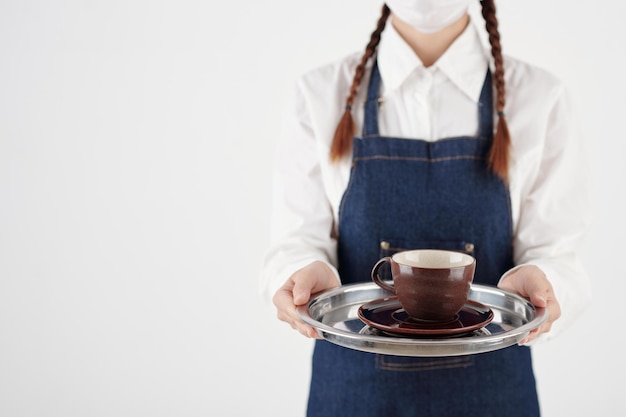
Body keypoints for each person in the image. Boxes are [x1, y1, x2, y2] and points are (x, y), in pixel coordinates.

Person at [260, 0, 592, 416]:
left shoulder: (540, 96)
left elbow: (558, 252)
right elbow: (296, 238)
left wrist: (545, 282)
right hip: (353, 395)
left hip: (495, 397)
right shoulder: (319, 93)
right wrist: (304, 273)